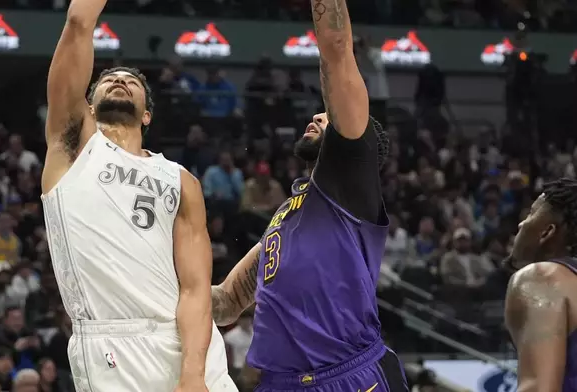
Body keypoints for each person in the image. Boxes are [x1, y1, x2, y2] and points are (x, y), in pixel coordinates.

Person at [211, 1, 408, 391]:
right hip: (281, 383)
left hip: (347, 374)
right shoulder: (286, 215)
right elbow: (224, 304)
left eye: (328, 114)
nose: (318, 116)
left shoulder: (351, 181)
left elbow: (336, 51)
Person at [41, 1, 236, 391]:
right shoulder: (74, 146)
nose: (119, 80)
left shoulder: (181, 180)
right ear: (89, 105)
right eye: (108, 79)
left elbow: (196, 289)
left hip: (187, 344)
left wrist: (194, 374)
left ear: (147, 114)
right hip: (112, 343)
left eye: (131, 81)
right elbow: (79, 23)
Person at [504, 178, 577, 391]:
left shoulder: (543, 278)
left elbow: (539, 388)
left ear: (547, 232)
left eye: (531, 213)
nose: (521, 224)